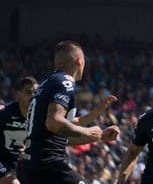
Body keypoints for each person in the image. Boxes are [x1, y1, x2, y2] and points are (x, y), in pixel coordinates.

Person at [18, 40, 120, 184]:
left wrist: (100, 136)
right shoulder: (66, 81)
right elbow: (54, 122)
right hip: (48, 166)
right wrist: (87, 132)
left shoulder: (48, 82)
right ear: (80, 61)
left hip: (32, 166)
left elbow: (62, 132)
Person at [0, 76, 38, 184]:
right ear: (19, 94)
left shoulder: (40, 117)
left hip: (21, 165)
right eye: (28, 92)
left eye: (35, 93)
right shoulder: (5, 113)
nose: (32, 96)